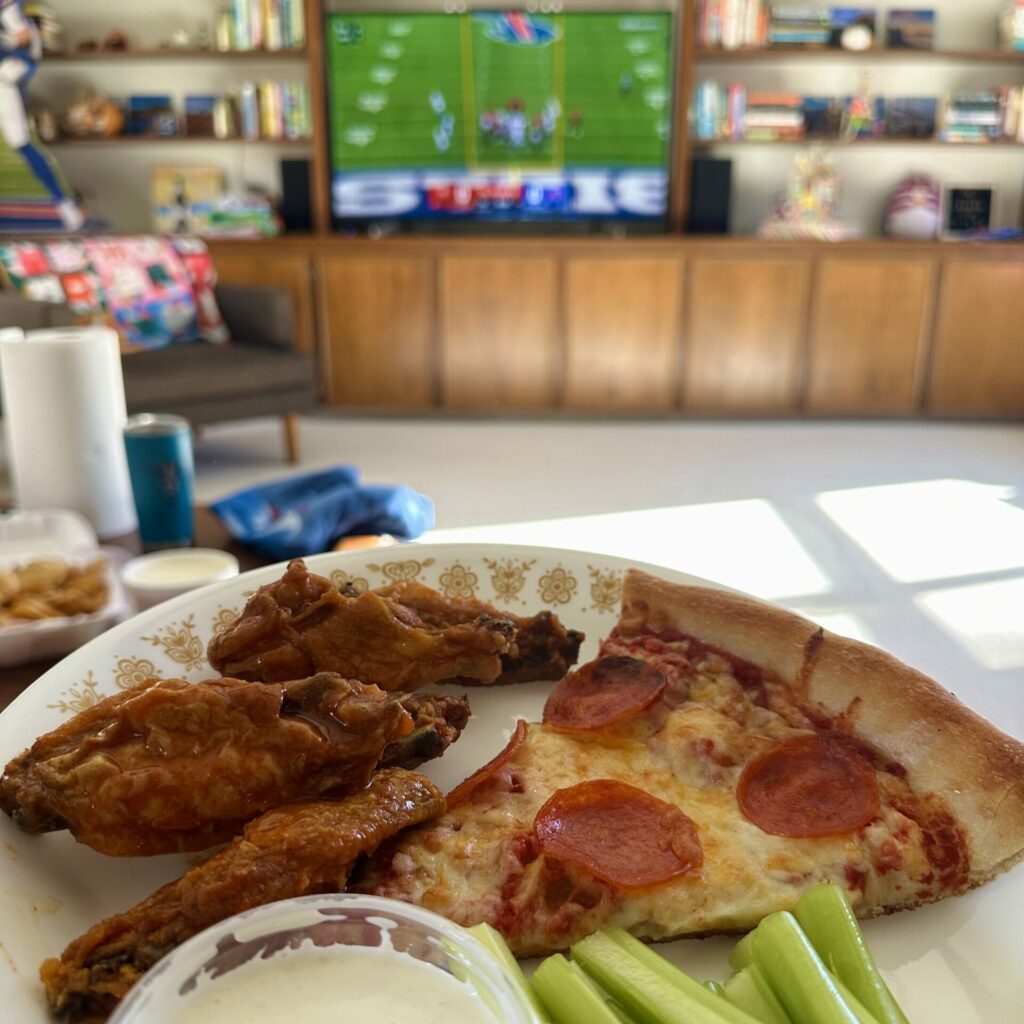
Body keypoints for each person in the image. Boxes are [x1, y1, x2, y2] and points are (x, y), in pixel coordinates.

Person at [0, 0, 84, 229]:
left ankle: (64, 205)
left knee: (20, 141)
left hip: (7, 75)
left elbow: (23, 39)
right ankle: (65, 205)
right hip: (11, 70)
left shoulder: (9, 12)